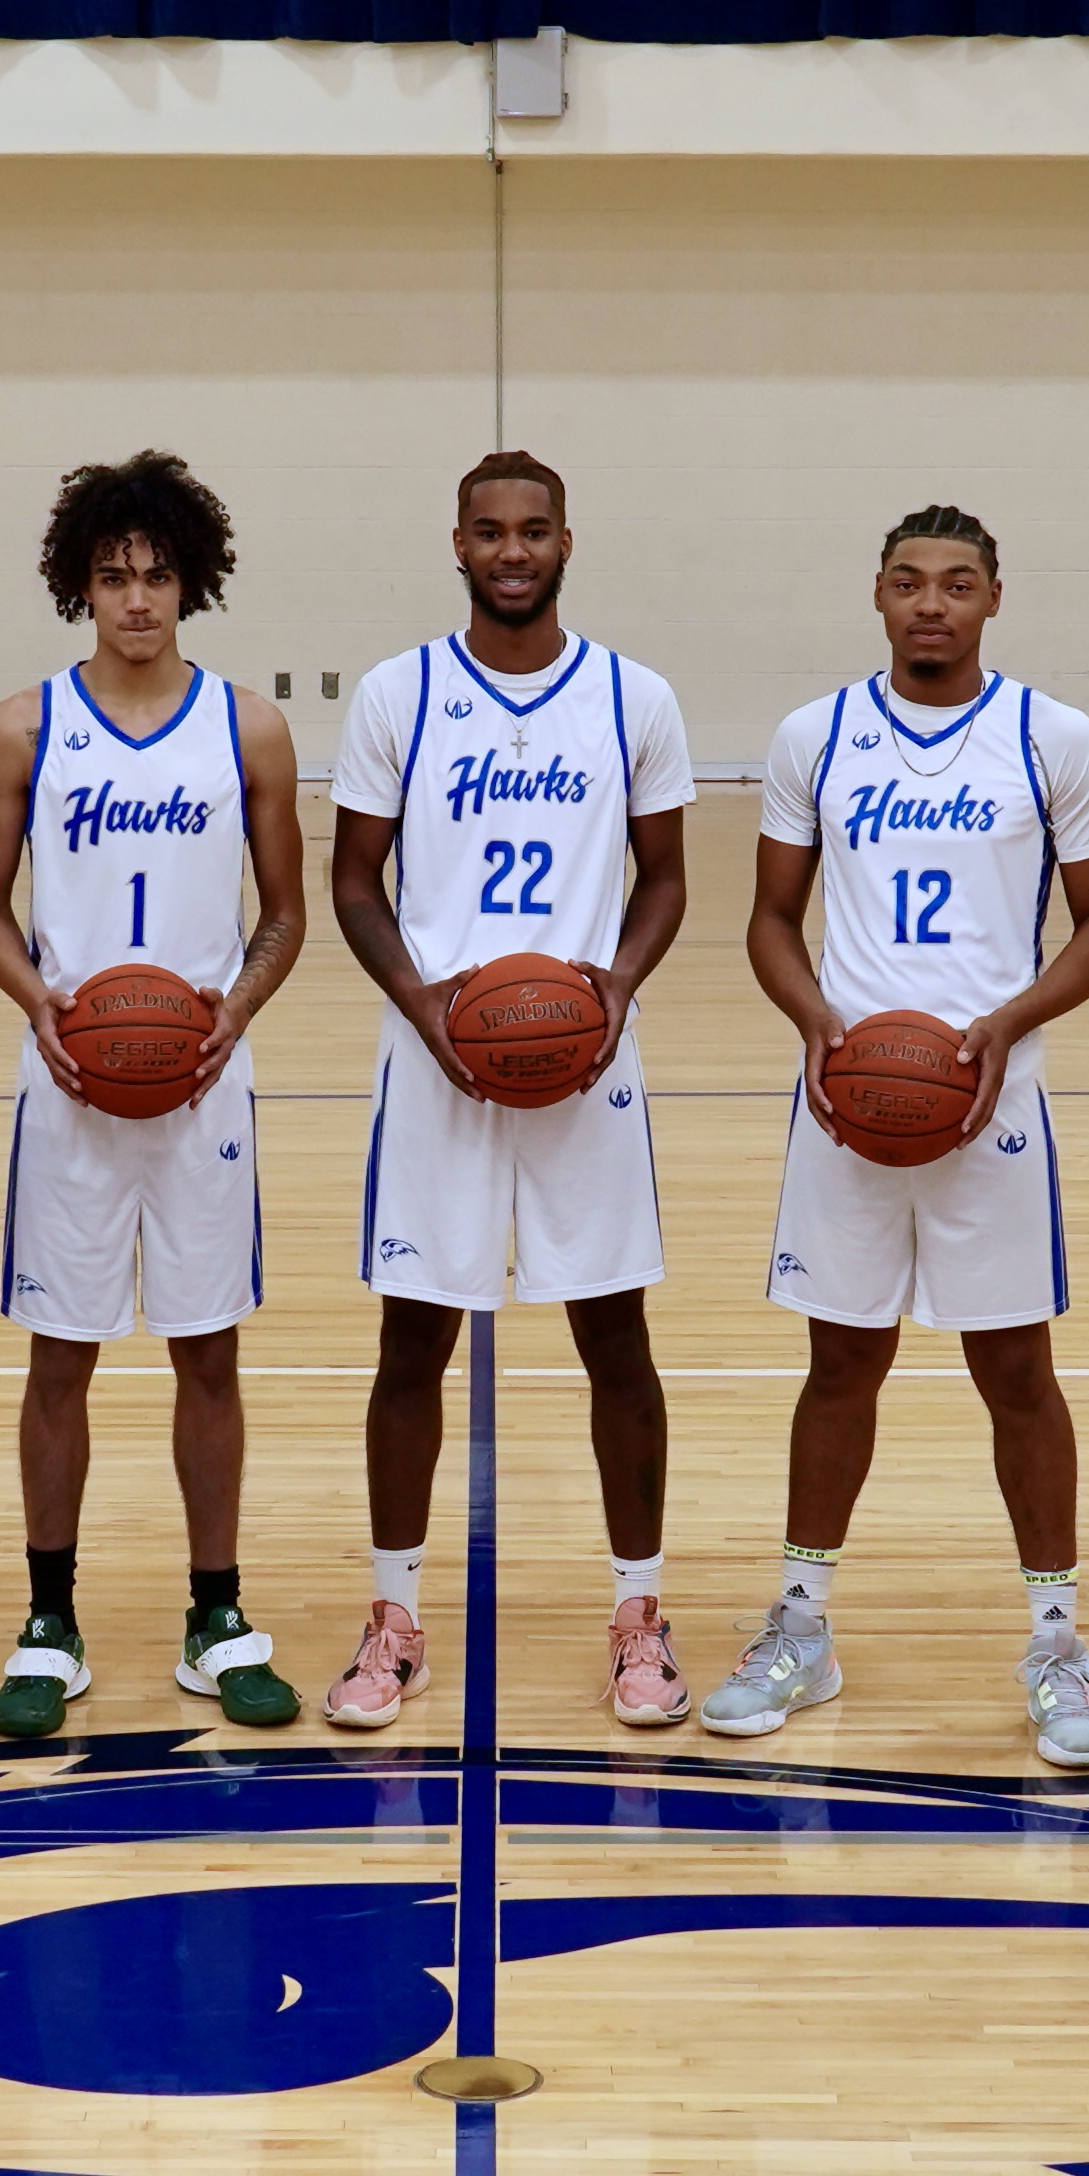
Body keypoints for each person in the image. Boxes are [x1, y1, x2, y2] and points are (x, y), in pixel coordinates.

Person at [704, 505, 1089, 1767]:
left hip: (991, 1108)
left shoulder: (1049, 736)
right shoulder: (814, 735)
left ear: (995, 596)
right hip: (850, 1100)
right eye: (908, 583)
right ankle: (803, 1623)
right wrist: (818, 1031)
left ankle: (1057, 1638)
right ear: (877, 597)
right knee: (839, 1366)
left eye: (956, 583)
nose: (931, 603)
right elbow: (771, 920)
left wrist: (1007, 1025)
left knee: (1017, 1374)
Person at [323, 452, 699, 1729]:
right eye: (490, 532)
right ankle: (392, 1616)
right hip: (437, 1060)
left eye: (533, 530)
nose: (513, 550)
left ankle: (639, 1612)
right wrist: (426, 1005)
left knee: (615, 1337)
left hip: (585, 1059)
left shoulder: (632, 696)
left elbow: (664, 879)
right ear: (458, 544)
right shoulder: (397, 693)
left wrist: (616, 988)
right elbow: (354, 881)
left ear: (566, 542)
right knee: (412, 1339)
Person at [0, 453, 310, 1734]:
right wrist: (37, 1002)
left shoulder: (249, 724)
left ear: (191, 581)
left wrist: (236, 1009)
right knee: (61, 1355)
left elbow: (282, 917)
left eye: (156, 574)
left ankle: (215, 1610)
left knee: (206, 1350)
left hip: (203, 1084)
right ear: (79, 587)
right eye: (112, 577)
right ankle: (48, 1617)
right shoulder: (22, 724)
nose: (135, 598)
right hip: (68, 1080)